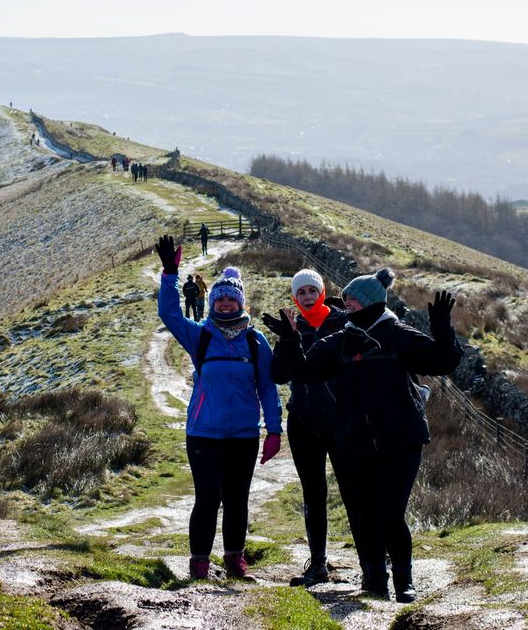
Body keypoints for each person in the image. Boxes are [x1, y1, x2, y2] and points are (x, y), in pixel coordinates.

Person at [263, 268, 461, 603]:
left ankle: (404, 581)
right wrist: (290, 340)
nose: (346, 306)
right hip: (355, 441)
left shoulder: (397, 334)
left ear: (369, 302)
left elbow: (444, 361)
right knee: (367, 512)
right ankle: (374, 580)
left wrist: (442, 328)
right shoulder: (342, 340)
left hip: (401, 441)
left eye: (352, 302)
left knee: (391, 513)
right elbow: (303, 371)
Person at [155, 235, 282, 581]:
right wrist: (170, 274)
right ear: (212, 302)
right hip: (203, 434)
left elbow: (268, 389)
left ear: (240, 302)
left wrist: (274, 430)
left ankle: (234, 560)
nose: (225, 303)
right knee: (207, 498)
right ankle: (199, 563)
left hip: (243, 435)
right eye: (220, 299)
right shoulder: (201, 335)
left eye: (231, 299)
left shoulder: (256, 342)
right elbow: (168, 313)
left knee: (237, 499)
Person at [268, 269, 350, 587]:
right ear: (294, 298)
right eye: (300, 292)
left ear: (322, 291)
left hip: (343, 420)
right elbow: (278, 374)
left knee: (355, 490)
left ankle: (376, 558)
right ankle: (318, 565)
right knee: (313, 494)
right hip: (303, 421)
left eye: (311, 290)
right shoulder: (294, 327)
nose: (307, 297)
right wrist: (288, 340)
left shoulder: (342, 322)